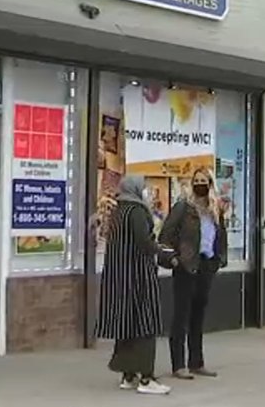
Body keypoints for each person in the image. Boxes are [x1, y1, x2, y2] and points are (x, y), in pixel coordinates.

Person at [94, 175, 171, 395]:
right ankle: (146, 378)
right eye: (144, 187)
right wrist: (162, 251)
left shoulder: (119, 210)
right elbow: (144, 242)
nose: (147, 191)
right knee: (146, 325)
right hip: (138, 277)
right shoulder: (136, 211)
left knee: (127, 326)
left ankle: (128, 375)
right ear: (136, 189)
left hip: (120, 278)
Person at [159, 167, 227, 381]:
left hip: (206, 265)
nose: (200, 185)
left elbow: (220, 236)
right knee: (181, 316)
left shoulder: (214, 209)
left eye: (203, 181)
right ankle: (178, 364)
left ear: (210, 184)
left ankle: (196, 362)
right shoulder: (183, 208)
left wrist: (219, 259)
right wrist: (173, 258)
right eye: (196, 181)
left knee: (198, 316)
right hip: (186, 265)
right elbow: (166, 235)